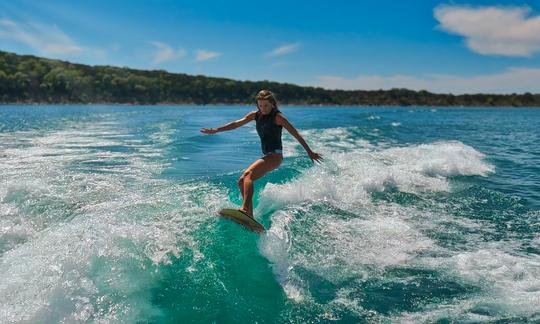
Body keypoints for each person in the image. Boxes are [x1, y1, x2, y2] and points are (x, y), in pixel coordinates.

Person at [200, 90, 323, 218]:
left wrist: (310, 152)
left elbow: (296, 134)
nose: (263, 108)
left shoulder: (278, 117)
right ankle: (249, 215)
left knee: (248, 175)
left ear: (272, 104)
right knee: (241, 181)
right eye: (260, 105)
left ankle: (245, 209)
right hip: (267, 155)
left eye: (266, 105)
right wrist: (216, 130)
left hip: (275, 156)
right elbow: (236, 124)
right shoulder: (255, 115)